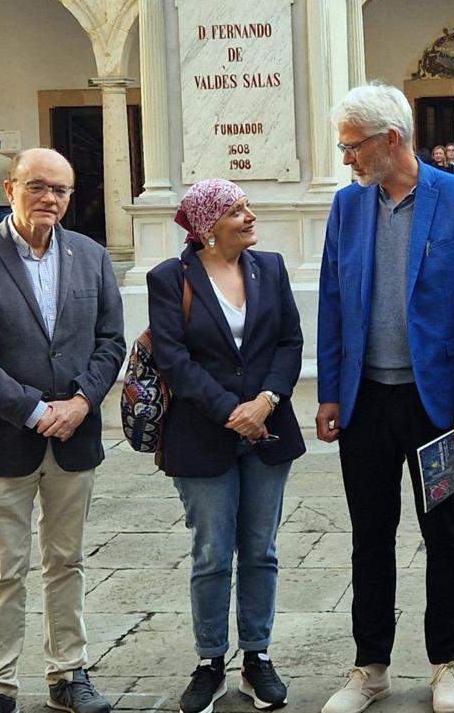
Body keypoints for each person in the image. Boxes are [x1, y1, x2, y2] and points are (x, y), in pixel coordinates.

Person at [317, 82, 454, 713]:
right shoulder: (347, 206)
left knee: (443, 531)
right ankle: (370, 666)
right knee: (371, 534)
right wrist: (331, 392)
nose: (346, 159)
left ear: (389, 140)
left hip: (438, 403)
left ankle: (446, 663)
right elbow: (333, 300)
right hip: (365, 398)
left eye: (351, 146)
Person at [0, 147, 126, 713]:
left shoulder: (90, 256)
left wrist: (81, 401)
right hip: (4, 438)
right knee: (5, 568)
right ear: (10, 188)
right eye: (38, 187)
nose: (49, 199)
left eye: (60, 190)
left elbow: (110, 341)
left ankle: (69, 672)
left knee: (67, 561)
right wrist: (32, 409)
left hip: (75, 437)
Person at [146, 179, 305, 713]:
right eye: (237, 210)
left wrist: (265, 400)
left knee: (260, 551)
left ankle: (256, 658)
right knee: (212, 554)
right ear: (208, 227)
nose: (250, 216)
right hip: (202, 436)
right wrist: (231, 414)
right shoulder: (170, 278)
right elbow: (173, 359)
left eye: (247, 206)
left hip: (269, 430)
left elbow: (290, 340)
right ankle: (210, 660)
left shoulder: (271, 267)